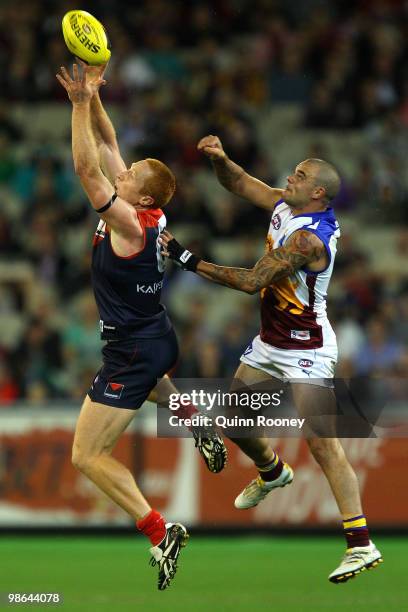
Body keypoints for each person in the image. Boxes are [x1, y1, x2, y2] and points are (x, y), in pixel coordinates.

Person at [160, 134, 383, 584]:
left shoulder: (310, 241)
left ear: (318, 192)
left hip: (307, 347)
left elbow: (250, 281)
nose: (289, 178)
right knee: (234, 418)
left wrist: (188, 259)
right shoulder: (287, 204)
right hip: (271, 341)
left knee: (322, 444)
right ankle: (272, 472)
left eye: (300, 176)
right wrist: (221, 160)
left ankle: (360, 544)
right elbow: (240, 184)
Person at [55, 64, 224, 590]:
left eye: (127, 178)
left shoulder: (127, 222)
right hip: (155, 338)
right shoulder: (151, 215)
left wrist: (78, 105)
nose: (118, 176)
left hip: (130, 349)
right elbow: (106, 143)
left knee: (87, 455)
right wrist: (94, 95)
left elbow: (87, 171)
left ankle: (160, 529)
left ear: (143, 199)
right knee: (153, 381)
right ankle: (196, 420)